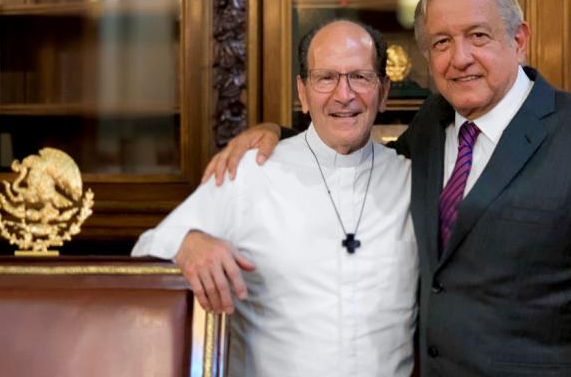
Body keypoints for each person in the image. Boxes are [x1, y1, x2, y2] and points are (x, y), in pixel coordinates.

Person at [204, 0, 571, 376]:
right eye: (441, 43)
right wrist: (273, 133)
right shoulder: (432, 124)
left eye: (478, 36)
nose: (459, 57)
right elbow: (356, 163)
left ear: (519, 39)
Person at [132, 20, 418, 376]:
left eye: (360, 77)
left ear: (384, 90)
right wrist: (188, 242)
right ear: (302, 92)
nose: (344, 95)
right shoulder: (251, 172)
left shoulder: (412, 179)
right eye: (326, 78)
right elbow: (147, 249)